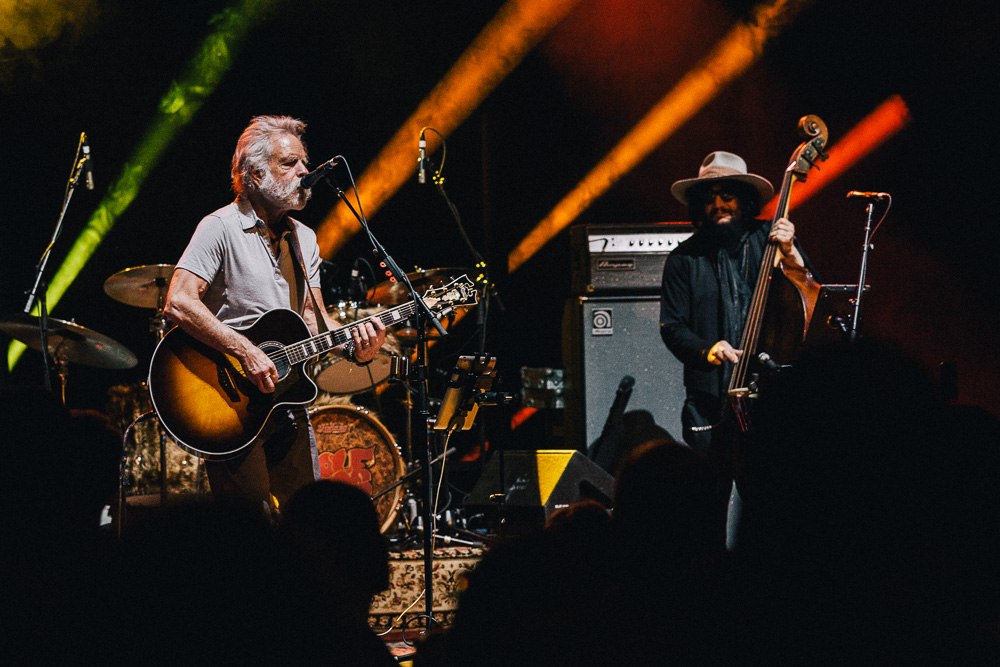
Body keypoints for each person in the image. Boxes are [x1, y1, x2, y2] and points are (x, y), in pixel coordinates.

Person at [164, 115, 386, 515]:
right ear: (254, 174)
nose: (305, 171)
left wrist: (357, 343)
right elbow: (179, 301)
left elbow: (312, 317)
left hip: (287, 400)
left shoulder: (305, 238)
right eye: (290, 163)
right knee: (252, 530)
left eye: (304, 161)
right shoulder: (219, 227)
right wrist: (245, 350)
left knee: (306, 522)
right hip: (229, 403)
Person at [659, 151, 815, 528]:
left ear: (744, 200)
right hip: (710, 401)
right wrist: (709, 349)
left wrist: (791, 252)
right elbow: (672, 327)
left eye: (726, 195)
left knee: (772, 506)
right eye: (709, 197)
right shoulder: (684, 259)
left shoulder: (772, 239)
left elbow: (809, 290)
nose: (718, 204)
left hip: (768, 399)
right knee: (708, 505)